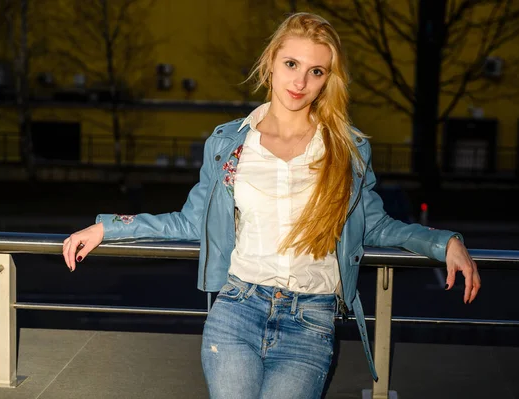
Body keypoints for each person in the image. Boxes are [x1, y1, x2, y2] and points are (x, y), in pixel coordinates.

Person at [62, 12, 481, 399]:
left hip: (310, 320)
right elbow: (190, 221)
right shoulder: (229, 143)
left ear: (327, 80)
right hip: (236, 309)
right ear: (271, 63)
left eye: (316, 71)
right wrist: (108, 227)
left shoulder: (347, 149)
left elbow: (377, 227)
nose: (300, 81)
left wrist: (443, 242)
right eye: (291, 64)